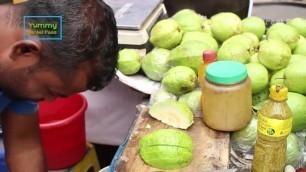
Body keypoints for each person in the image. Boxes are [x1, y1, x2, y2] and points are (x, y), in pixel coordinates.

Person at [0, 0, 119, 171]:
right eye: (49, 91)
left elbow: (24, 147)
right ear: (25, 51)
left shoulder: (20, 75)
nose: (48, 100)